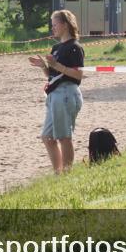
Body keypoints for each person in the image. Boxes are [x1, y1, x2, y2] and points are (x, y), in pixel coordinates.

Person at [29, 10, 85, 174]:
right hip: (55, 95)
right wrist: (44, 67)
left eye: (55, 24)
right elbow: (52, 75)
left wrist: (56, 65)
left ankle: (66, 173)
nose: (52, 28)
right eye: (51, 25)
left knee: (63, 137)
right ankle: (58, 173)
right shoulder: (56, 47)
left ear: (65, 25)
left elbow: (77, 75)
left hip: (67, 93)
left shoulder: (74, 47)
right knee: (47, 137)